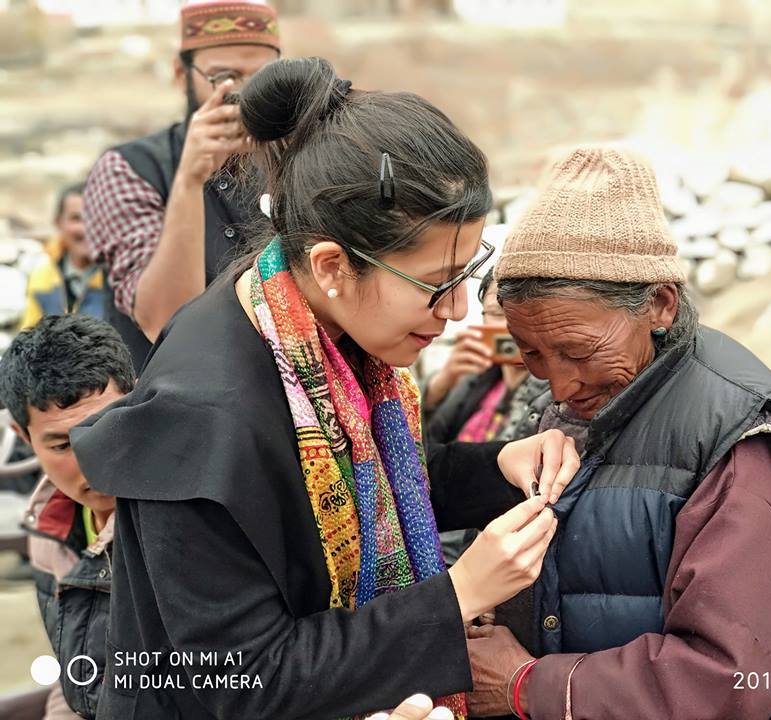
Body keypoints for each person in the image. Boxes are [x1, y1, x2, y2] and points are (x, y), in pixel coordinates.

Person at [70, 57, 579, 720]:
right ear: (333, 265)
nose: (457, 311)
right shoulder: (203, 418)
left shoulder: (308, 332)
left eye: (468, 274)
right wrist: (457, 596)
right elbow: (246, 680)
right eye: (436, 283)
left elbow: (360, 477)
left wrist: (496, 468)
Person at [464, 147, 771, 720]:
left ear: (661, 305)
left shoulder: (740, 437)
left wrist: (527, 686)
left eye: (576, 351)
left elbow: (732, 679)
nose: (561, 383)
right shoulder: (584, 402)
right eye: (532, 354)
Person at [83, 0, 282, 369]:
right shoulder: (127, 169)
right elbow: (165, 320)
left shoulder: (294, 159)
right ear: (180, 73)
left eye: (261, 79)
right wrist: (190, 179)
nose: (245, 95)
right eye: (225, 77)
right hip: (173, 407)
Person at [0, 315, 135, 719]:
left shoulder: (187, 519)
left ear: (139, 401)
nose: (92, 466)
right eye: (62, 445)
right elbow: (77, 674)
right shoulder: (48, 533)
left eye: (107, 430)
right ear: (24, 437)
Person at [425, 268, 552, 566]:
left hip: (484, 558)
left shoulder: (556, 393)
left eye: (518, 312)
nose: (507, 326)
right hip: (436, 546)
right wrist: (441, 386)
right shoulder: (476, 382)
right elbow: (422, 455)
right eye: (495, 313)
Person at [21, 182, 107, 329]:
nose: (87, 228)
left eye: (95, 218)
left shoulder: (118, 279)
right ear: (58, 223)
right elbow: (27, 334)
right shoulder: (42, 277)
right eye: (76, 218)